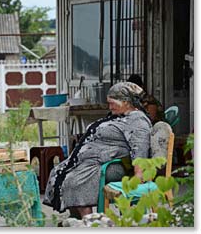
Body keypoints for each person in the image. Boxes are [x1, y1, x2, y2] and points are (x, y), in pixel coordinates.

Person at [42, 82, 152, 219]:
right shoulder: (121, 116)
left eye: (113, 103)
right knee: (58, 173)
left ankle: (90, 222)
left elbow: (140, 148)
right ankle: (77, 220)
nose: (110, 106)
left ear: (126, 102)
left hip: (112, 166)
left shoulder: (138, 120)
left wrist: (138, 175)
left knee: (75, 182)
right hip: (91, 161)